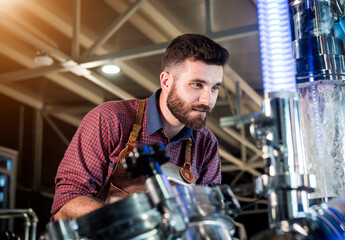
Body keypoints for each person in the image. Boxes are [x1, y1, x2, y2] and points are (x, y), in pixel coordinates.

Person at [51, 33, 229, 221]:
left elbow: (208, 217)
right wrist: (136, 224)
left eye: (214, 88)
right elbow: (67, 203)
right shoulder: (111, 119)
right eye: (197, 85)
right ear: (166, 82)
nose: (207, 100)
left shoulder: (206, 144)